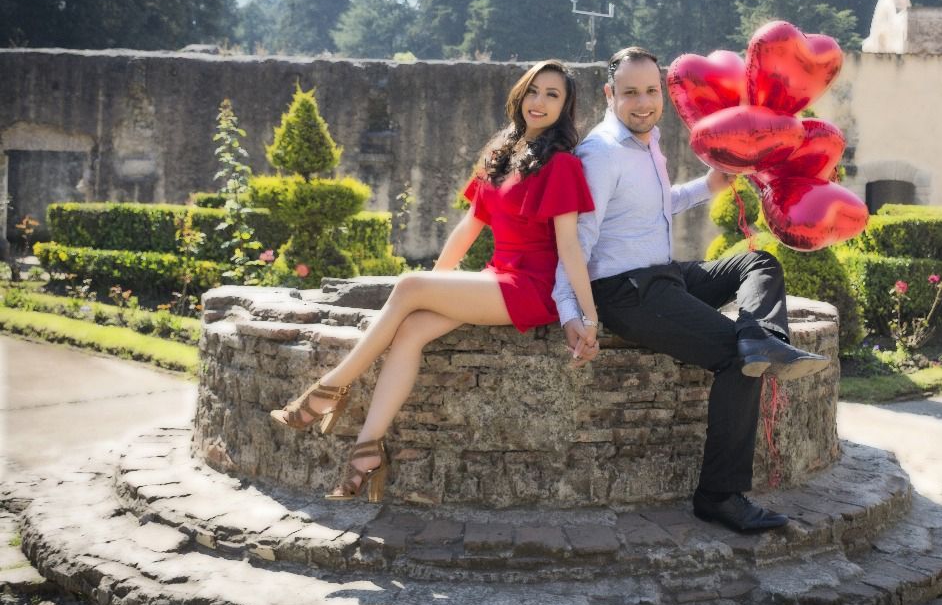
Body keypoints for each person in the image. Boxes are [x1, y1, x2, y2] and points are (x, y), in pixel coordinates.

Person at [270, 60, 599, 503]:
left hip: (532, 287)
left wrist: (588, 317)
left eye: (552, 95)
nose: (539, 102)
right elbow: (468, 228)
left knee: (409, 285)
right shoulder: (501, 152)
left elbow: (570, 247)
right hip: (496, 277)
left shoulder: (562, 165)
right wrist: (434, 290)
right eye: (533, 91)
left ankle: (328, 389)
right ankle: (367, 450)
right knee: (410, 329)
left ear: (565, 107)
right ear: (520, 95)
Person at [552, 46, 828, 534]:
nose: (643, 103)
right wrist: (574, 313)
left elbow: (655, 205)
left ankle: (762, 337)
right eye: (630, 93)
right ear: (609, 94)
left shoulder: (648, 143)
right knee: (735, 360)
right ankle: (718, 497)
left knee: (758, 262)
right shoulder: (602, 153)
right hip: (627, 292)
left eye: (651, 91)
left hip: (663, 276)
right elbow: (576, 239)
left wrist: (709, 184)